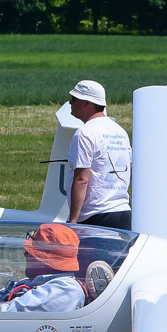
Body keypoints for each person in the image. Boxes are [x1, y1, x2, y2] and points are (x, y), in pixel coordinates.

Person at [65, 79, 133, 231]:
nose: (70, 103)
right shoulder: (120, 131)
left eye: (74, 99)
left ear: (87, 103)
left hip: (95, 216)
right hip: (123, 213)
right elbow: (129, 168)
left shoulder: (84, 133)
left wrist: (73, 221)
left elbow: (81, 179)